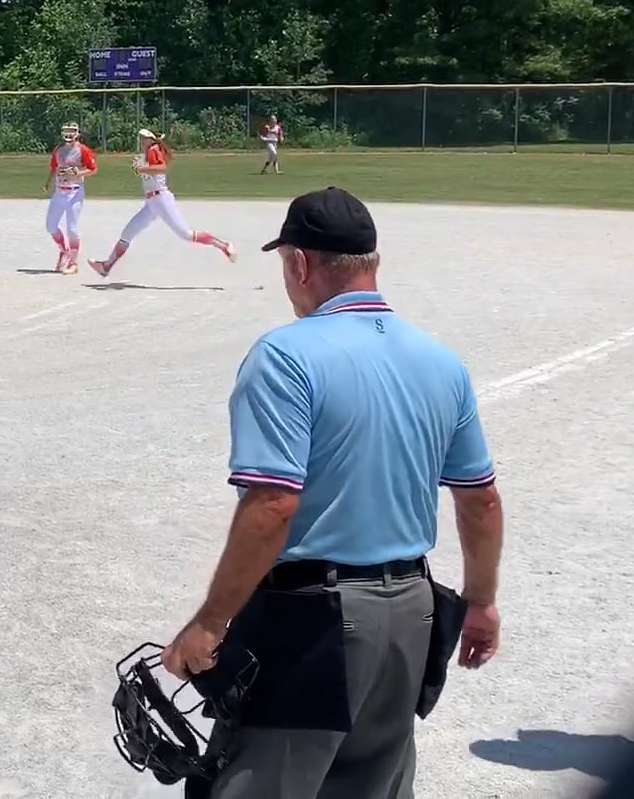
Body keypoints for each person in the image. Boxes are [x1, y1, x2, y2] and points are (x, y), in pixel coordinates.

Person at [162, 186, 504, 799]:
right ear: (371, 263)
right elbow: (481, 500)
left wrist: (210, 623)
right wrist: (479, 602)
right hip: (413, 615)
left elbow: (273, 503)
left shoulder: (285, 356)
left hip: (314, 623)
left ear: (299, 263)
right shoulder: (440, 361)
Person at [89, 128, 236, 278]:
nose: (142, 140)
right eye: (141, 137)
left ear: (152, 139)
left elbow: (161, 168)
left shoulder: (154, 149)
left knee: (186, 234)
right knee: (127, 234)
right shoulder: (149, 152)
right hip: (152, 203)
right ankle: (106, 266)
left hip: (161, 199)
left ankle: (224, 246)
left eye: (145, 137)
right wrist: (142, 168)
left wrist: (141, 169)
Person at [44, 121, 97, 273]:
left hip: (75, 191)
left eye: (72, 131)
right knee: (51, 226)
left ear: (77, 133)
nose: (69, 134)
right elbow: (54, 167)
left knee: (72, 228)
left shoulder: (82, 150)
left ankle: (73, 263)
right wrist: (48, 183)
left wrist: (78, 173)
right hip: (59, 191)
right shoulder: (58, 150)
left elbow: (93, 169)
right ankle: (64, 251)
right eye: (66, 131)